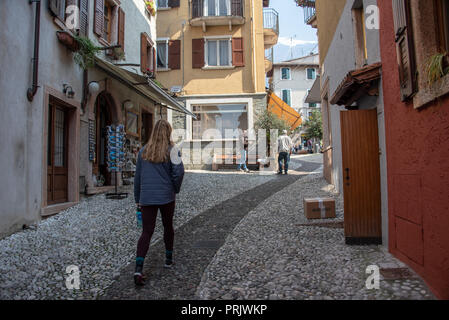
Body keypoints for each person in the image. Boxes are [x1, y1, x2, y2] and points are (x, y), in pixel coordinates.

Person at [133, 119, 185, 286]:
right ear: (168, 132)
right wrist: (174, 189)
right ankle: (168, 259)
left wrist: (137, 199)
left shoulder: (143, 152)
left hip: (147, 198)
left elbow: (138, 178)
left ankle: (138, 268)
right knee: (168, 226)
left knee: (146, 232)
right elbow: (179, 173)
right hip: (166, 197)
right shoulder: (173, 151)